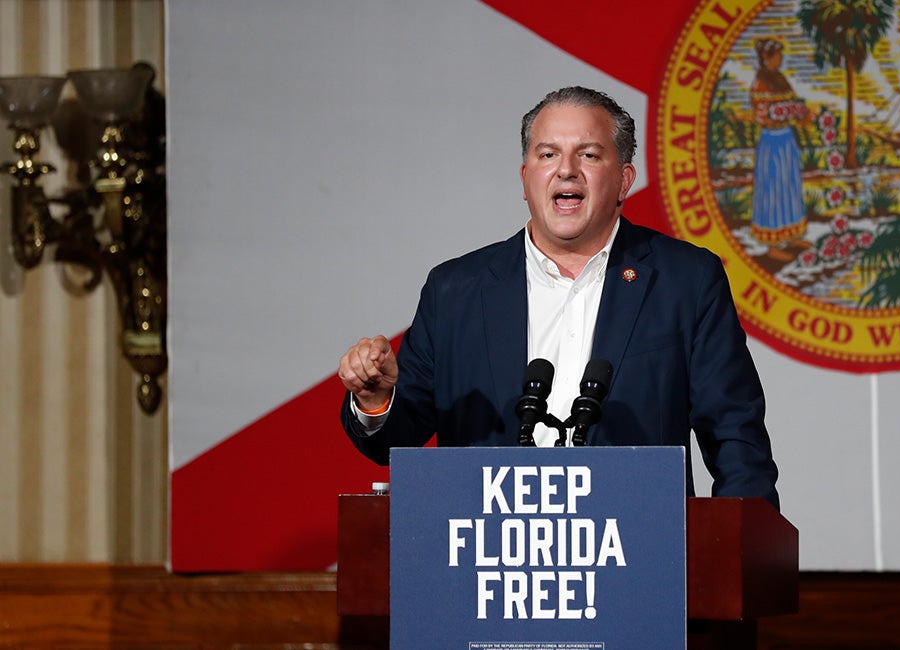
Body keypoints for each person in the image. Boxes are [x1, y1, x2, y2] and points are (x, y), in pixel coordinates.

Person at [337, 86, 779, 509]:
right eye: (547, 154)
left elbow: (736, 438)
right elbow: (395, 440)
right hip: (493, 548)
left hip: (637, 544)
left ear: (624, 180)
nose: (566, 170)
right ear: (525, 178)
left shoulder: (684, 280)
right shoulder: (455, 291)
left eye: (589, 155)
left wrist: (737, 548)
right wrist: (376, 401)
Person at [750, 38, 809, 260]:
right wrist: (780, 115)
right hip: (772, 141)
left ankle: (792, 235)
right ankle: (773, 246)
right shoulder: (760, 82)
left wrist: (800, 114)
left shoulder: (781, 79)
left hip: (786, 139)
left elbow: (793, 105)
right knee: (773, 190)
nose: (780, 58)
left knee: (790, 186)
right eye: (777, 55)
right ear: (767, 57)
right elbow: (761, 114)